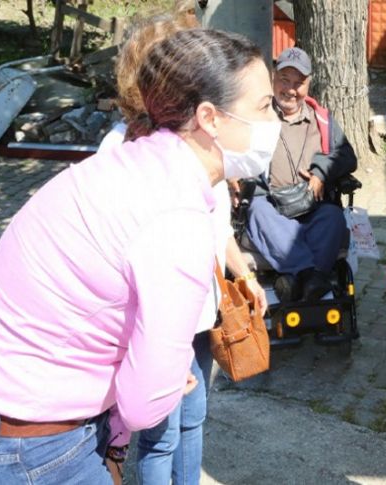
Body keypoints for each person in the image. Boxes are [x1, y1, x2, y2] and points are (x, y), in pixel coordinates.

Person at [0, 29, 279, 483]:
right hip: (32, 443)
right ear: (209, 117)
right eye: (262, 106)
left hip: (14, 417)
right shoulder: (176, 213)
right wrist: (164, 377)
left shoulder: (131, 166)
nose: (274, 119)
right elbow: (145, 404)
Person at [100, 15, 268, 485]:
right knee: (158, 434)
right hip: (157, 318)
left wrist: (244, 274)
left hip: (201, 309)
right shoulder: (123, 147)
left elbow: (217, 227)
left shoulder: (201, 147)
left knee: (193, 415)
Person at [245, 47, 358, 303]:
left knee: (333, 217)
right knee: (257, 211)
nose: (291, 90)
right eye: (285, 80)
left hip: (312, 206)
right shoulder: (256, 117)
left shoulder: (322, 119)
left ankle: (294, 281)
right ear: (273, 78)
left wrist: (321, 171)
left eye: (299, 83)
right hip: (272, 205)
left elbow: (347, 156)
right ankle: (311, 276)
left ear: (309, 84)